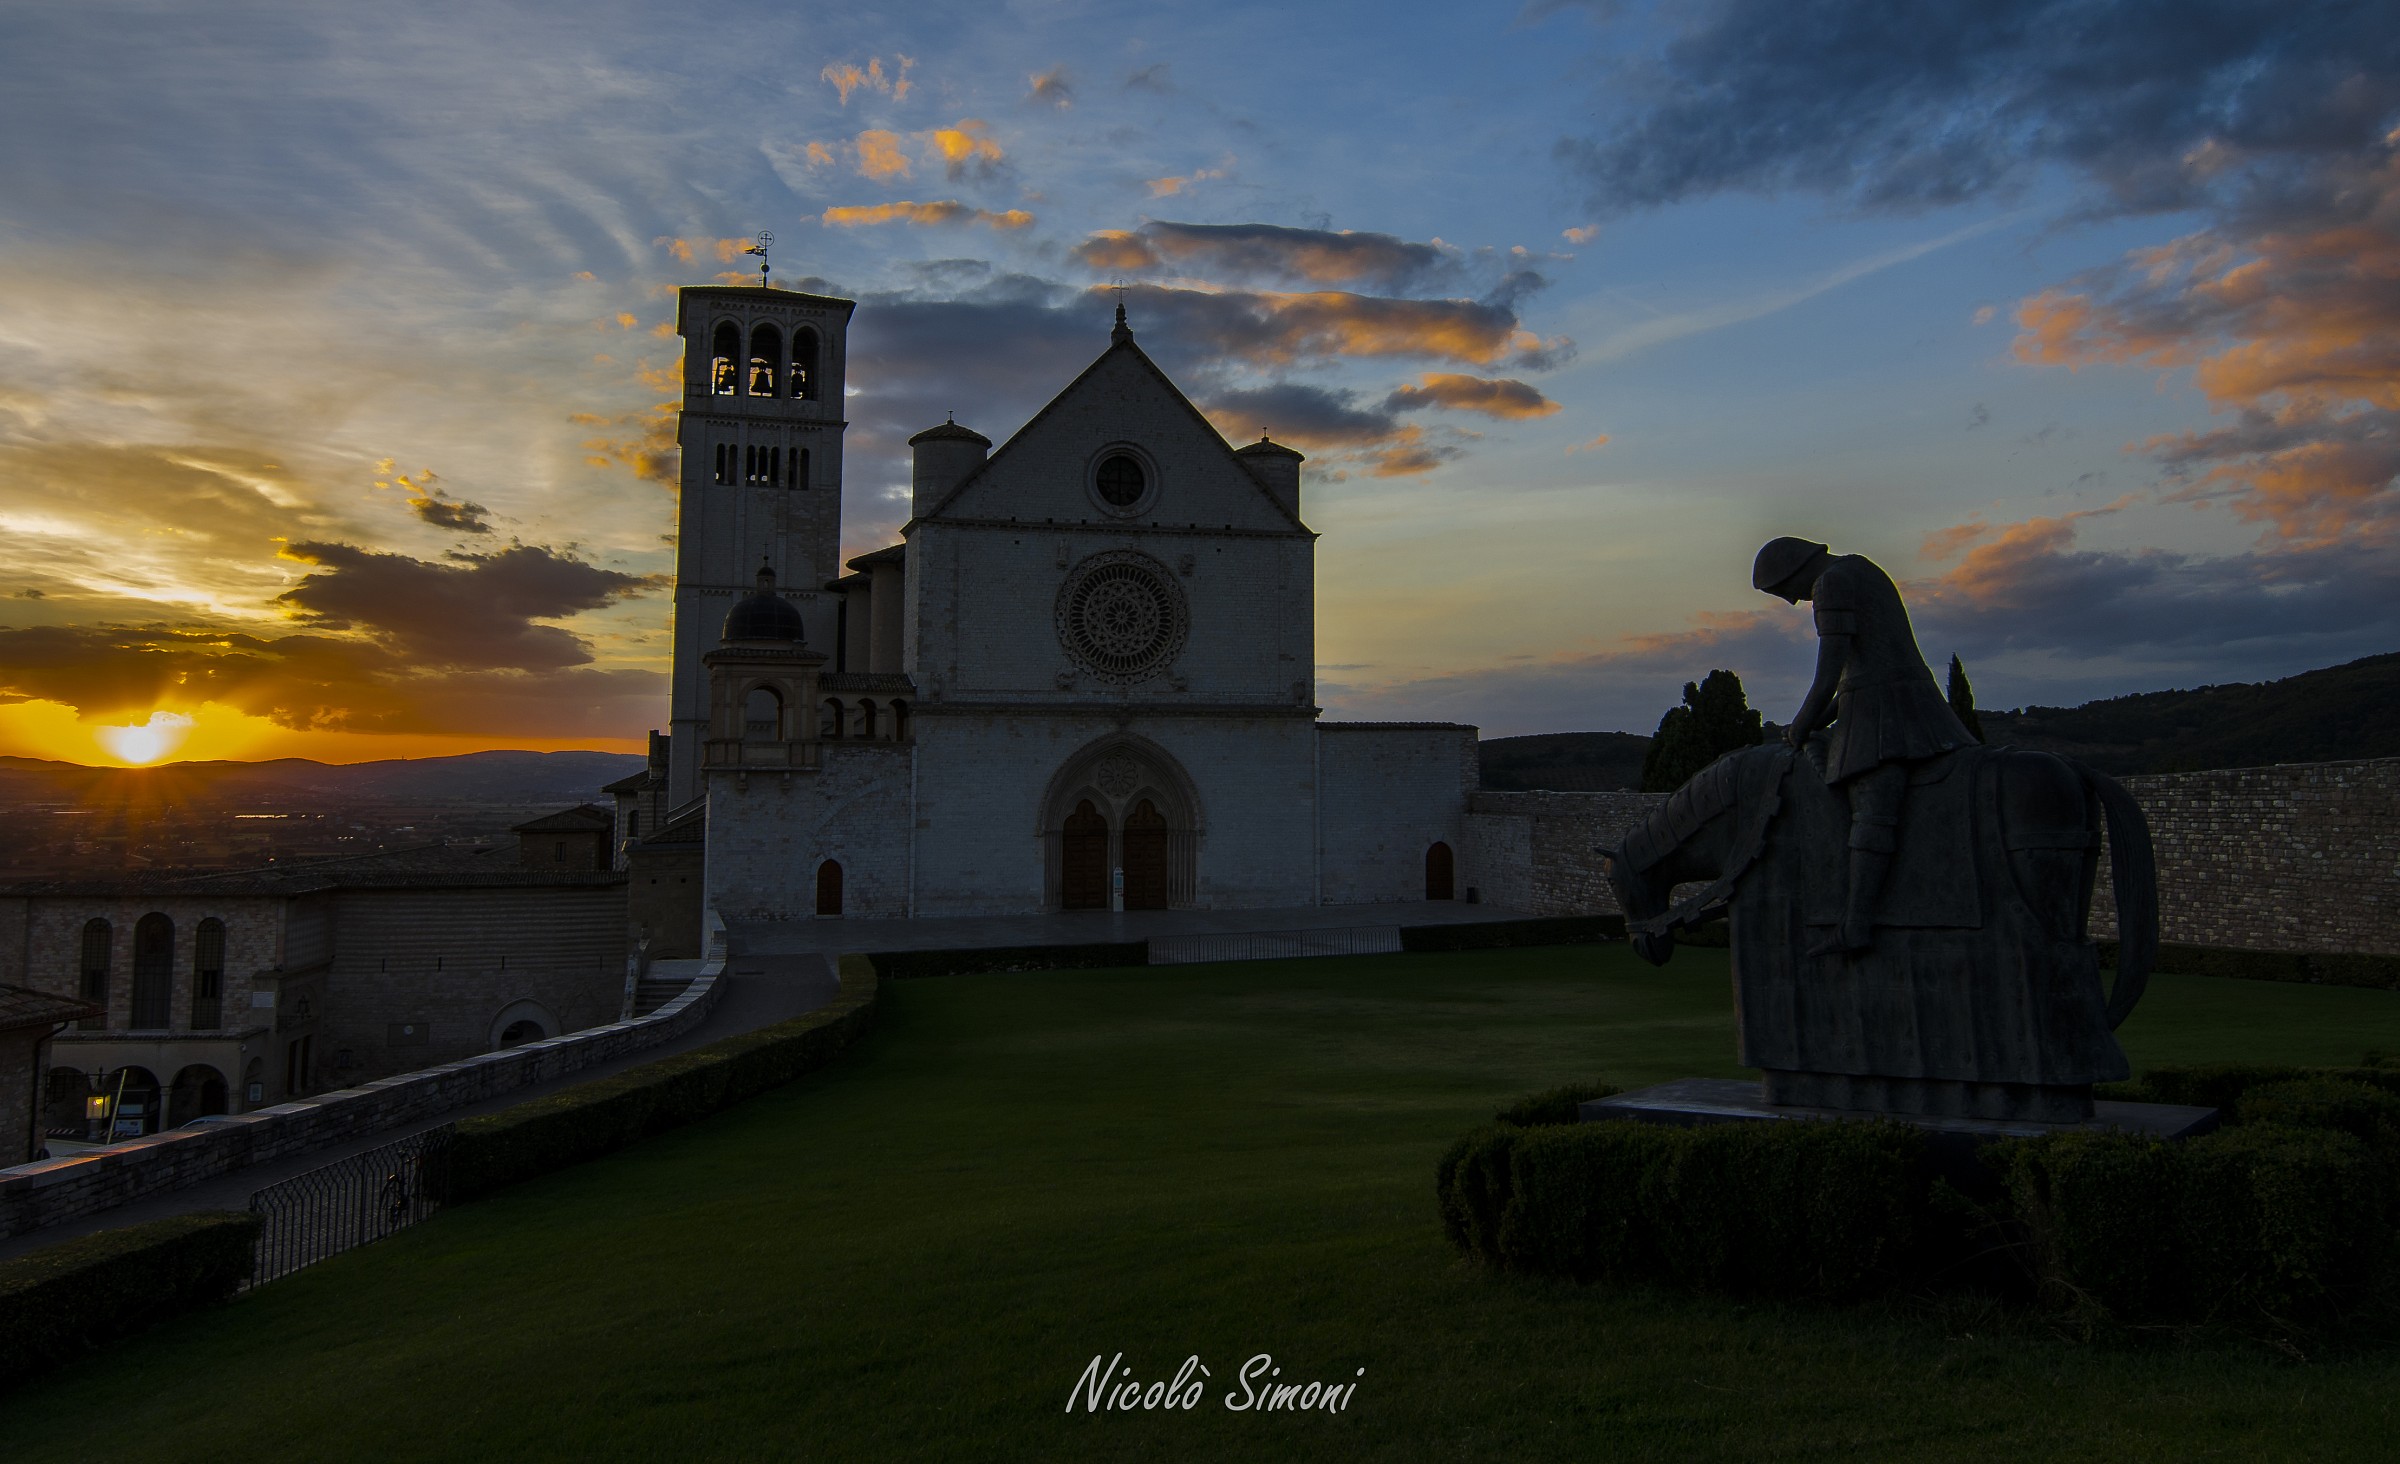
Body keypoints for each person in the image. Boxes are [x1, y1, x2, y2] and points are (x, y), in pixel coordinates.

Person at [1753, 537, 1976, 955]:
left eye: (1783, 591)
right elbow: (1860, 673)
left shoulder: (1830, 583)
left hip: (1888, 712)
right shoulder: (1860, 567)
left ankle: (1856, 924)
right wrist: (1817, 721)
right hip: (1890, 699)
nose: (1790, 602)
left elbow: (1829, 672)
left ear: (1794, 571)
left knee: (1872, 810)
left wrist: (1801, 724)